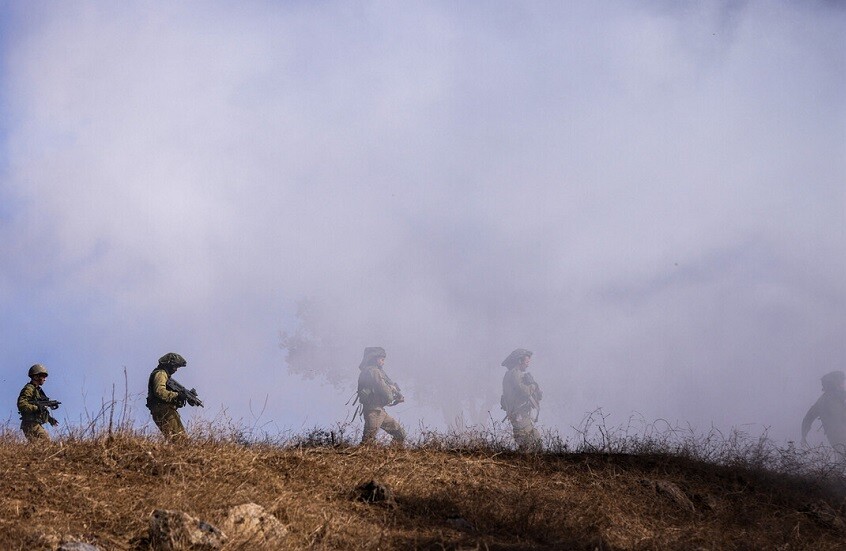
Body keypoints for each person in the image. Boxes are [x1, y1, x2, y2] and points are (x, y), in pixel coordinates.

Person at [356, 347, 406, 446]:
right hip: (374, 411)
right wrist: (393, 396)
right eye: (382, 359)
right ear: (375, 359)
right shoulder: (374, 371)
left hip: (379, 411)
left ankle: (392, 455)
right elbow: (383, 389)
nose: (383, 362)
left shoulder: (373, 371)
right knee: (367, 441)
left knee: (400, 433)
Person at [501, 348, 543, 451]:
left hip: (521, 412)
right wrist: (533, 385)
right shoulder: (515, 373)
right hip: (518, 413)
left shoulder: (513, 373)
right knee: (525, 440)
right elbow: (525, 391)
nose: (528, 364)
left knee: (535, 438)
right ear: (519, 361)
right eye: (527, 361)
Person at [146, 352, 190, 441]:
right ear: (169, 365)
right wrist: (177, 395)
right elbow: (160, 391)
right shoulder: (161, 374)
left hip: (161, 409)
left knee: (173, 440)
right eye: (175, 366)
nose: (176, 370)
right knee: (181, 440)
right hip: (164, 410)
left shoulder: (164, 375)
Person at [801, 370, 846, 455]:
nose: (844, 385)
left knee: (842, 460)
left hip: (833, 437)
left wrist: (804, 435)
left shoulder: (821, 401)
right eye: (842, 382)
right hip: (841, 435)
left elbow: (808, 418)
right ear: (836, 384)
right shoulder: (840, 396)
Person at [17, 364, 60, 442]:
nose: (45, 379)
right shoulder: (29, 389)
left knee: (38, 447)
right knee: (46, 443)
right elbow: (22, 404)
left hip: (34, 423)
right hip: (30, 424)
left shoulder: (37, 391)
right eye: (43, 376)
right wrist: (37, 408)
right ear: (36, 377)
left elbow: (41, 408)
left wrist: (50, 419)